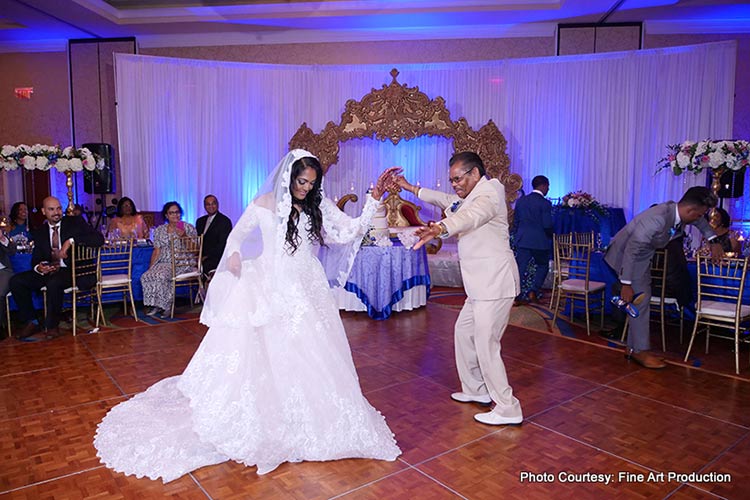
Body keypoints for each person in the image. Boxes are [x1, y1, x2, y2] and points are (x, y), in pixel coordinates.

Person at [94, 150, 401, 481]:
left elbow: (347, 232)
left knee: (313, 351)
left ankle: (314, 419)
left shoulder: (317, 203)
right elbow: (236, 236)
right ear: (288, 176)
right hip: (271, 283)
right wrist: (236, 255)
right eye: (301, 182)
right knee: (270, 350)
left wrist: (373, 199)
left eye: (312, 184)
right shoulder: (263, 203)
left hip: (306, 285)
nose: (306, 189)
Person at [395, 151, 522, 426]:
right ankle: (476, 389)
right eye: (451, 181)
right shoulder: (468, 198)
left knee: (486, 344)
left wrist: (440, 227)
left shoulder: (490, 194)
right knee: (464, 334)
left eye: (458, 179)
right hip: (478, 287)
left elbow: (472, 217)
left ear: (475, 173)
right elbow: (446, 201)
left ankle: (507, 406)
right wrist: (411, 188)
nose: (454, 185)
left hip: (495, 283)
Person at [604, 186, 723, 369]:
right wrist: (625, 283)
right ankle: (640, 352)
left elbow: (700, 223)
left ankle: (632, 348)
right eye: (700, 214)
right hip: (627, 257)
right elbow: (632, 250)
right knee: (640, 301)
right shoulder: (657, 219)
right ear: (691, 210)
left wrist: (713, 240)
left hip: (642, 257)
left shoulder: (679, 212)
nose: (700, 218)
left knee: (639, 301)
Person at [9, 196, 105, 340]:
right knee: (17, 281)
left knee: (54, 282)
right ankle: (31, 321)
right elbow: (36, 258)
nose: (56, 212)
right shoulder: (40, 231)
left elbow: (99, 239)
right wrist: (39, 267)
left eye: (59, 208)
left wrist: (71, 241)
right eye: (51, 209)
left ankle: (52, 326)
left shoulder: (74, 222)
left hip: (73, 270)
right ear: (43, 211)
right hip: (50, 270)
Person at [140, 201, 197, 318]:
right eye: (172, 213)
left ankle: (167, 306)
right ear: (166, 215)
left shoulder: (187, 227)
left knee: (161, 275)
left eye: (177, 212)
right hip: (163, 261)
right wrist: (151, 267)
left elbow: (195, 250)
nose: (175, 215)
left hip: (181, 261)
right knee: (146, 275)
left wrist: (184, 236)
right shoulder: (160, 230)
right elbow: (156, 250)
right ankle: (156, 304)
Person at [513, 175, 553, 304]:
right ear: (544, 186)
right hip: (539, 241)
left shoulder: (521, 201)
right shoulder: (545, 203)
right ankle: (533, 291)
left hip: (523, 239)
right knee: (542, 265)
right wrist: (551, 235)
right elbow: (547, 225)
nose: (548, 189)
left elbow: (516, 221)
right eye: (548, 186)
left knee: (520, 267)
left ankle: (516, 296)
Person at [195, 194, 232, 279]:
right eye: (208, 204)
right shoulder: (200, 221)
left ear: (217, 204)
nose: (211, 206)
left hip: (216, 258)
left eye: (213, 203)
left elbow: (222, 245)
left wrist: (205, 257)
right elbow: (197, 241)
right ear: (204, 206)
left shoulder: (224, 221)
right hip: (200, 257)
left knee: (205, 269)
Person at [0, 216, 17, 333]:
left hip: (3, 270)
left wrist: (2, 239)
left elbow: (12, 251)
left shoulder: (5, 237)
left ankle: (1, 327)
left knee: (0, 293)